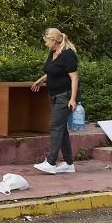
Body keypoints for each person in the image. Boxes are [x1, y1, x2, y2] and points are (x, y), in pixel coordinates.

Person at [31, 27, 79, 174]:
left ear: (54, 40)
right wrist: (41, 80)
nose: (45, 44)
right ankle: (69, 164)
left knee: (55, 126)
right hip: (54, 94)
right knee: (61, 128)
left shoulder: (68, 55)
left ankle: (51, 163)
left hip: (65, 96)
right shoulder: (52, 53)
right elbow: (51, 71)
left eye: (46, 41)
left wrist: (72, 99)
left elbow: (74, 77)